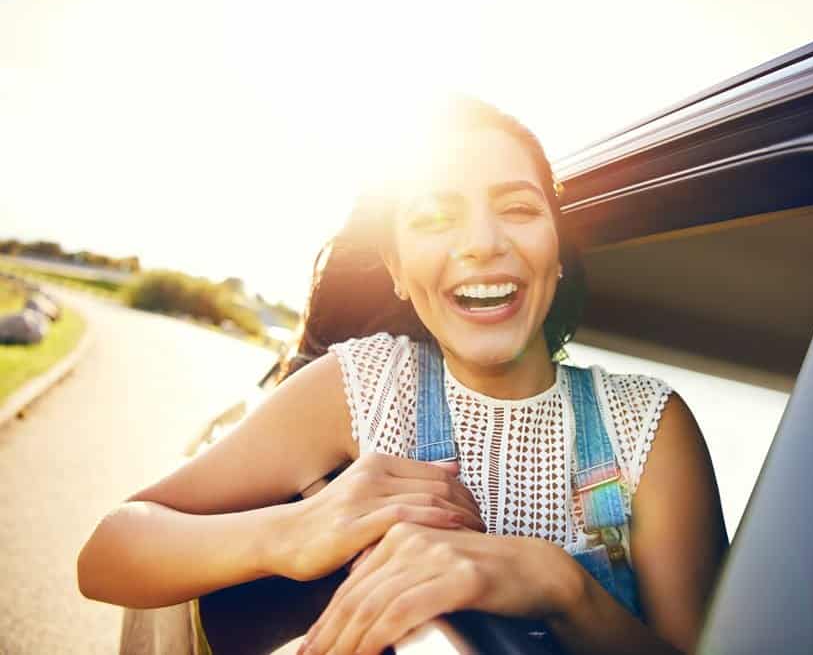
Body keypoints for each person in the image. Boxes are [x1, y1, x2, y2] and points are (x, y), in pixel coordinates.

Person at [78, 97, 728, 655]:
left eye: (519, 209)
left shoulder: (647, 425)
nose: (480, 242)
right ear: (395, 265)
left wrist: (561, 586)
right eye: (434, 216)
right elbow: (108, 551)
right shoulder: (365, 387)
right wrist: (296, 532)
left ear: (556, 251)